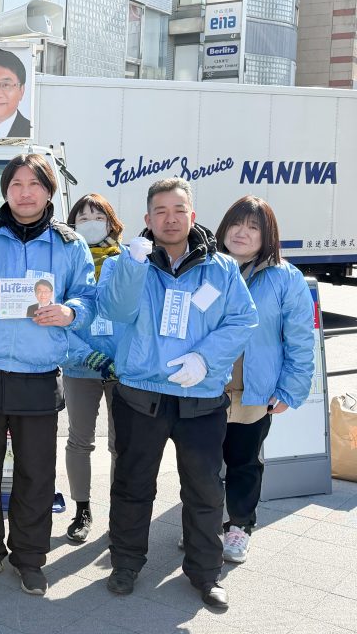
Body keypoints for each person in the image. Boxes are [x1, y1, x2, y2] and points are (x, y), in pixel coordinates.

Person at [98, 177, 258, 610]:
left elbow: (242, 320)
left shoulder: (221, 268)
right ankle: (125, 564)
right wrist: (132, 267)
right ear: (147, 218)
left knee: (205, 490)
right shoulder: (128, 261)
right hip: (140, 393)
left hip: (201, 397)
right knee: (132, 485)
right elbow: (114, 310)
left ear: (193, 215)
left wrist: (205, 359)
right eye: (161, 211)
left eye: (179, 210)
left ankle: (206, 573)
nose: (170, 219)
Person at [0, 152, 95, 594]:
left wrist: (70, 312)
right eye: (16, 185)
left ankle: (29, 557)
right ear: (4, 190)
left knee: (36, 475)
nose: (25, 193)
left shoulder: (69, 244)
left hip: (38, 373)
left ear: (49, 191)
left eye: (35, 184)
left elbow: (89, 298)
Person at [215, 196, 314, 564]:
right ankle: (203, 524)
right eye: (236, 224)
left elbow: (300, 337)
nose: (242, 233)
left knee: (243, 463)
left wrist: (291, 388)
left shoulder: (285, 278)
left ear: (267, 235)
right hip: (206, 389)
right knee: (201, 465)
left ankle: (239, 526)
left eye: (253, 227)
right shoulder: (206, 268)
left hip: (253, 392)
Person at [61, 193, 125, 544]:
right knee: (80, 440)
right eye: (83, 218)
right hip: (80, 365)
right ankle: (82, 509)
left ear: (111, 222)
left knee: (121, 444)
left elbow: (137, 315)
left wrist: (125, 359)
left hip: (121, 369)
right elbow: (56, 316)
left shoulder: (127, 260)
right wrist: (86, 355)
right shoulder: (67, 260)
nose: (91, 223)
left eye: (98, 217)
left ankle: (120, 512)